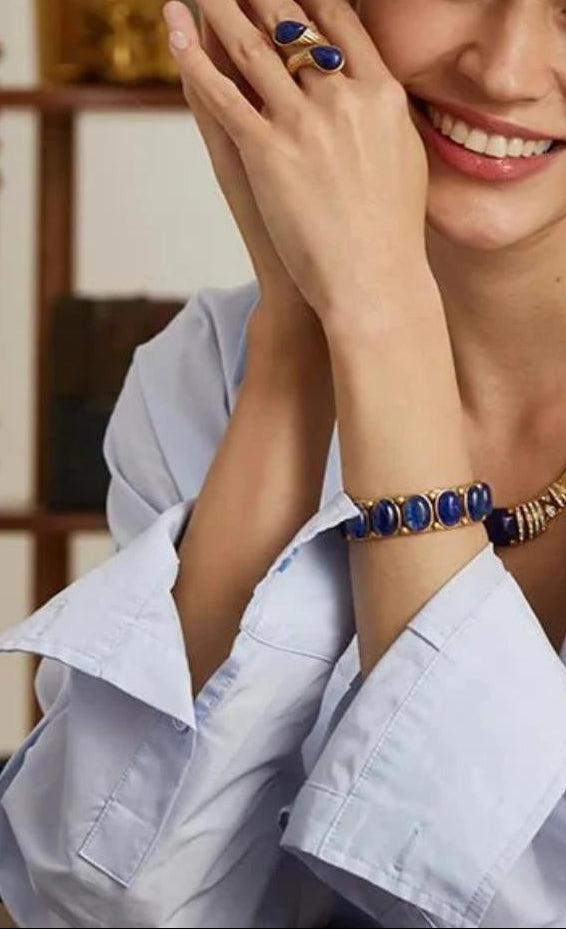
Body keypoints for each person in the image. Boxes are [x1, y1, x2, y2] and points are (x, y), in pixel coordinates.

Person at [2, 0, 566, 924]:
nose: (504, 71)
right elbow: (103, 904)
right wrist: (303, 336)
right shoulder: (214, 370)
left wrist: (383, 315)